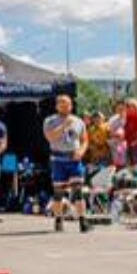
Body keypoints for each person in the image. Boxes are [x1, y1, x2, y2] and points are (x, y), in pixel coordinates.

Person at [42, 94, 91, 232]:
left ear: (71, 105)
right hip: (58, 159)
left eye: (67, 103)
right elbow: (50, 137)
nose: (64, 106)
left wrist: (81, 151)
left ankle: (83, 221)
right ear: (57, 106)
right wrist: (64, 125)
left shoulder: (78, 121)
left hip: (74, 158)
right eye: (61, 103)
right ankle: (58, 219)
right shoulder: (50, 121)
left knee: (78, 190)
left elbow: (85, 140)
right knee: (59, 192)